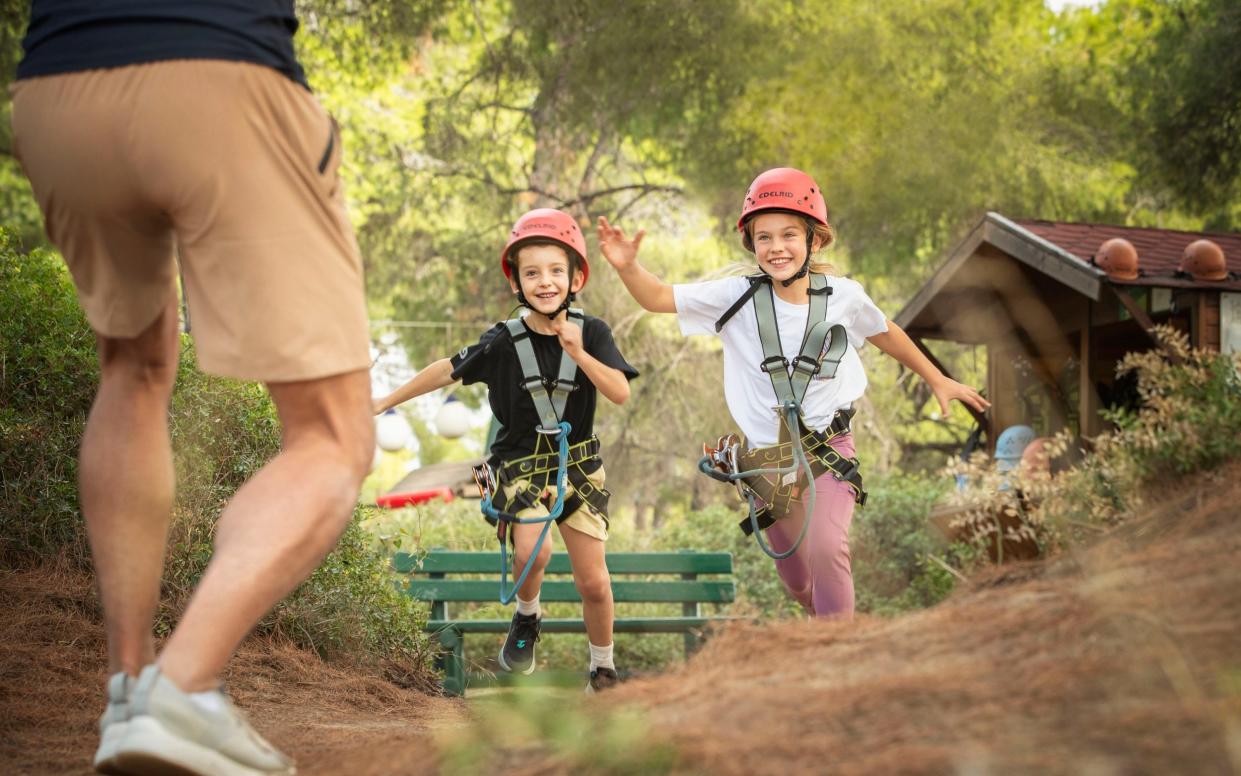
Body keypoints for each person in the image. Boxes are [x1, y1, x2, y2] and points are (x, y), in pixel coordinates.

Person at [10, 3, 373, 774]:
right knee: (331, 437)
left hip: (54, 89)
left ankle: (131, 690)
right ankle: (183, 688)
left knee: (132, 368)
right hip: (216, 69)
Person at [597, 167, 989, 618]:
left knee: (826, 550)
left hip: (829, 449)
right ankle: (818, 626)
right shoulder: (735, 298)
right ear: (752, 244)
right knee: (799, 579)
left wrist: (936, 377)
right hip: (767, 462)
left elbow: (885, 332)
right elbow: (659, 297)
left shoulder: (844, 296)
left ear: (814, 241)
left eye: (788, 235)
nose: (776, 247)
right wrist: (628, 267)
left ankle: (836, 658)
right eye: (764, 238)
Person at [372, 208, 638, 692]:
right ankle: (527, 616)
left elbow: (619, 391)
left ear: (577, 276)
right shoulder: (502, 341)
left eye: (556, 271)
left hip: (579, 467)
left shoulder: (592, 331)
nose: (545, 281)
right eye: (531, 272)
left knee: (594, 583)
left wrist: (578, 352)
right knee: (534, 551)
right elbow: (446, 370)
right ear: (515, 282)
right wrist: (385, 400)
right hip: (518, 467)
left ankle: (603, 667)